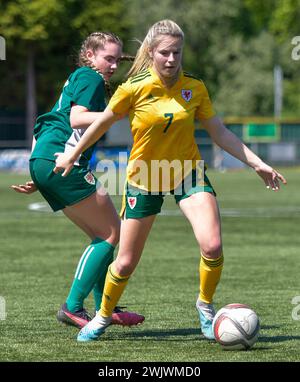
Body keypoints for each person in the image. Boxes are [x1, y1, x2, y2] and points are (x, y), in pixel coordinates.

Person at [53, 20, 287, 342]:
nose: (172, 59)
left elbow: (219, 132)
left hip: (187, 172)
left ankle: (205, 306)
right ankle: (103, 316)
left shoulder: (195, 87)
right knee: (124, 263)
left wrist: (257, 163)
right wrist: (72, 153)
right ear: (151, 53)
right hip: (145, 177)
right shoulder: (133, 87)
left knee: (213, 245)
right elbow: (101, 123)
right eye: (165, 52)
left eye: (177, 52)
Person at [11, 32, 145, 329]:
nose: (112, 65)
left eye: (115, 59)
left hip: (48, 160)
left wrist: (41, 172)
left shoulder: (78, 78)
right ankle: (74, 307)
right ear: (90, 56)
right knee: (112, 234)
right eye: (107, 58)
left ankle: (103, 308)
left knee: (104, 236)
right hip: (60, 161)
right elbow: (76, 118)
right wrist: (117, 113)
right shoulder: (90, 77)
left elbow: (49, 121)